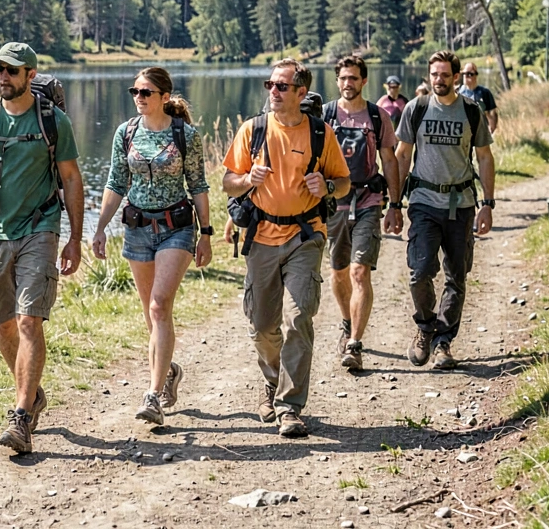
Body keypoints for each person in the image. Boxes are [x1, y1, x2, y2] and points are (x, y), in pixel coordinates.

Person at [0, 42, 85, 454]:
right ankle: (33, 394)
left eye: (11, 70)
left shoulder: (53, 120)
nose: (3, 77)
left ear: (30, 74)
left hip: (41, 227)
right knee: (4, 325)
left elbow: (71, 179)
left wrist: (75, 238)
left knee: (28, 321)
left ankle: (21, 416)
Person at [223, 58, 350, 438]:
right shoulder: (253, 130)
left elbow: (343, 182)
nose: (273, 92)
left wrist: (327, 186)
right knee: (262, 327)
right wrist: (247, 179)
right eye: (270, 85)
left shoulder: (320, 133)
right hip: (261, 236)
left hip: (305, 235)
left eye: (281, 86)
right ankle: (273, 380)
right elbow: (228, 181)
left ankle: (290, 406)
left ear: (300, 92)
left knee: (298, 318)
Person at [92, 67, 213, 426]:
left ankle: (153, 395)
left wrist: (206, 233)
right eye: (135, 92)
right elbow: (116, 183)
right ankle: (169, 369)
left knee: (160, 307)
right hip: (138, 230)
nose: (139, 98)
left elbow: (198, 185)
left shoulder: (185, 135)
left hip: (177, 228)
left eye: (146, 92)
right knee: (151, 315)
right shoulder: (126, 132)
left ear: (164, 96)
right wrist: (100, 227)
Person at [394, 50, 496, 371]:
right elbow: (402, 155)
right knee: (420, 271)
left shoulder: (471, 111)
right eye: (434, 74)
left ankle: (443, 342)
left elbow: (484, 157)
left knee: (457, 276)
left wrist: (488, 204)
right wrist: (394, 203)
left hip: (461, 205)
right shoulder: (416, 108)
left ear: (456, 77)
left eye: (445, 75)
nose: (439, 80)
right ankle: (425, 327)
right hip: (423, 203)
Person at [324, 56, 402, 372]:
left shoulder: (377, 116)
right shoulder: (325, 115)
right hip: (333, 205)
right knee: (338, 272)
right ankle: (347, 321)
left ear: (364, 81)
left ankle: (354, 344)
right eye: (343, 78)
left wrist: (394, 205)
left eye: (354, 78)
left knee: (359, 271)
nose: (348, 83)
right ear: (337, 80)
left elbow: (390, 161)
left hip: (368, 200)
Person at [457, 62, 499, 133]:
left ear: (475, 75)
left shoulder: (484, 93)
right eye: (464, 74)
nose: (466, 76)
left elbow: (492, 113)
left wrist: (491, 129)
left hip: (481, 132)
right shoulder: (458, 93)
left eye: (469, 74)